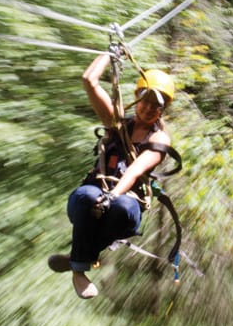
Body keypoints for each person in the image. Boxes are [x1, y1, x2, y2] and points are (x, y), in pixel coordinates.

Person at [48, 53, 175, 299]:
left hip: (125, 203)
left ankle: (78, 263)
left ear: (162, 110)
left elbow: (136, 169)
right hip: (91, 196)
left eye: (155, 105)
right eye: (144, 101)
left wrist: (112, 195)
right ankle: (80, 263)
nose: (148, 108)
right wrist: (110, 54)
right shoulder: (117, 124)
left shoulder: (160, 139)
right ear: (137, 99)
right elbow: (89, 80)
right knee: (86, 196)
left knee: (123, 207)